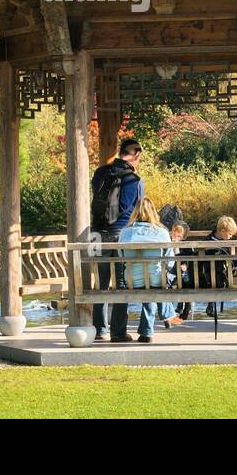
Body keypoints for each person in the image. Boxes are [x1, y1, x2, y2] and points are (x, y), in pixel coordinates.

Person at [89, 137, 144, 341]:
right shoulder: (134, 180)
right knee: (121, 282)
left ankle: (98, 330)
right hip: (121, 233)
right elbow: (135, 211)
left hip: (95, 233)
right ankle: (118, 332)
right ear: (136, 154)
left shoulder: (100, 173)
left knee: (100, 283)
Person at [115, 197, 172, 343]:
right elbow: (170, 261)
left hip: (132, 280)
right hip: (156, 279)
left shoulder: (125, 233)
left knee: (149, 284)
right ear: (153, 212)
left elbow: (121, 256)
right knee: (155, 284)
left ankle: (152, 327)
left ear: (135, 212)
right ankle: (151, 328)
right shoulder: (162, 232)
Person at [182, 215, 236, 320]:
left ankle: (206, 306)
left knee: (217, 277)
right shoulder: (210, 243)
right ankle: (208, 306)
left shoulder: (209, 240)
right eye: (230, 234)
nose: (231, 237)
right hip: (206, 278)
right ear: (222, 230)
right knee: (217, 278)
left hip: (213, 278)